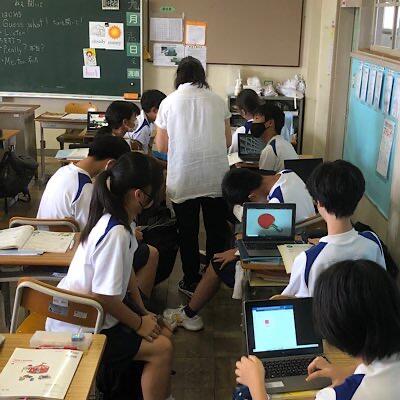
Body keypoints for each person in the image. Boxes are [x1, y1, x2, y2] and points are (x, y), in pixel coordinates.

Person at [46, 152, 174, 400]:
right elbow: (103, 296)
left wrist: (143, 311)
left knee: (163, 332)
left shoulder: (119, 220)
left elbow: (127, 275)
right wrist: (139, 324)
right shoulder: (116, 233)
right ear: (140, 196)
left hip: (90, 314)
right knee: (162, 347)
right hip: (81, 325)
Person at [162, 168, 315, 331]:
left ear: (252, 197)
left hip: (287, 258)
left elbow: (267, 243)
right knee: (236, 239)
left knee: (217, 263)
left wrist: (237, 252)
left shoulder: (277, 203)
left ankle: (188, 314)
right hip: (301, 240)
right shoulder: (288, 174)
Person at [235, 259, 400, 400]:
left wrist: (257, 386)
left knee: (242, 394)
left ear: (336, 331)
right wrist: (347, 372)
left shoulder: (338, 395)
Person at [155, 56, 232, 297]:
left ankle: (190, 280)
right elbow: (227, 141)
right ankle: (214, 277)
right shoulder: (218, 101)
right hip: (215, 178)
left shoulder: (168, 102)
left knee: (187, 233)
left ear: (179, 76)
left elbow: (162, 146)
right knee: (216, 230)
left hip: (183, 178)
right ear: (202, 76)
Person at [282, 160, 386, 297]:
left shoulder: (308, 260)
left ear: (319, 202)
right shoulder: (373, 243)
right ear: (359, 198)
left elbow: (287, 299)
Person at [37, 136, 130, 229]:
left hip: (42, 233)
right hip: (62, 237)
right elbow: (91, 230)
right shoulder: (84, 186)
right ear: (111, 164)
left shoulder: (63, 171)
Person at [222, 167, 315, 223]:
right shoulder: (288, 172)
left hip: (297, 238)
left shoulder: (277, 203)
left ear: (252, 197)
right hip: (312, 224)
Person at [251, 103, 298, 172]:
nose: (253, 122)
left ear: (270, 123)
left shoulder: (270, 150)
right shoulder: (286, 144)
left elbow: (264, 178)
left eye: (256, 118)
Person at [229, 89, 260, 154]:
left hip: (248, 160)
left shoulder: (241, 131)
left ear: (243, 112)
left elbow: (231, 153)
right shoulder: (270, 126)